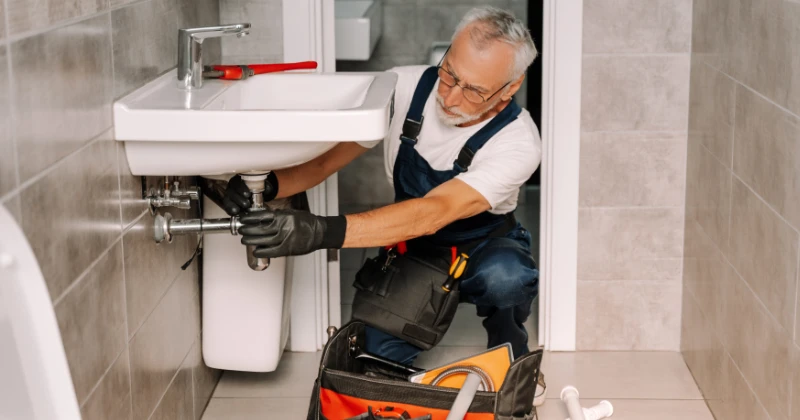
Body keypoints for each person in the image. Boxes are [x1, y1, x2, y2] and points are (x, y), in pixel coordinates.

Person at [223, 6, 545, 405]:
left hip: (484, 245)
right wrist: (268, 185)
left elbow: (433, 212)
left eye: (474, 90)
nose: (450, 96)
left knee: (506, 278)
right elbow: (326, 161)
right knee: (376, 362)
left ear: (510, 88)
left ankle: (509, 339)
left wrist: (319, 231)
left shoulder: (518, 142)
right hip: (414, 247)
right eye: (449, 73)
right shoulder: (401, 87)